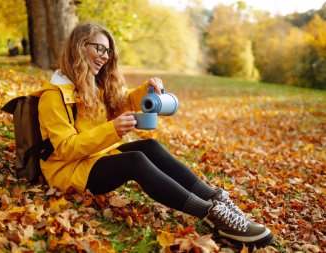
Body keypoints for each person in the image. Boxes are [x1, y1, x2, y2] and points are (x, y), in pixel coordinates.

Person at [31, 22, 273, 248]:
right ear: (78, 47)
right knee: (134, 161)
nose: (105, 56)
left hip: (93, 157)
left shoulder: (95, 85)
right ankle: (211, 215)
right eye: (99, 48)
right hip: (67, 171)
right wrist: (112, 129)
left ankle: (216, 198)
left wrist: (147, 90)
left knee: (150, 147)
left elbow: (123, 99)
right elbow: (64, 148)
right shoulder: (54, 96)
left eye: (108, 51)